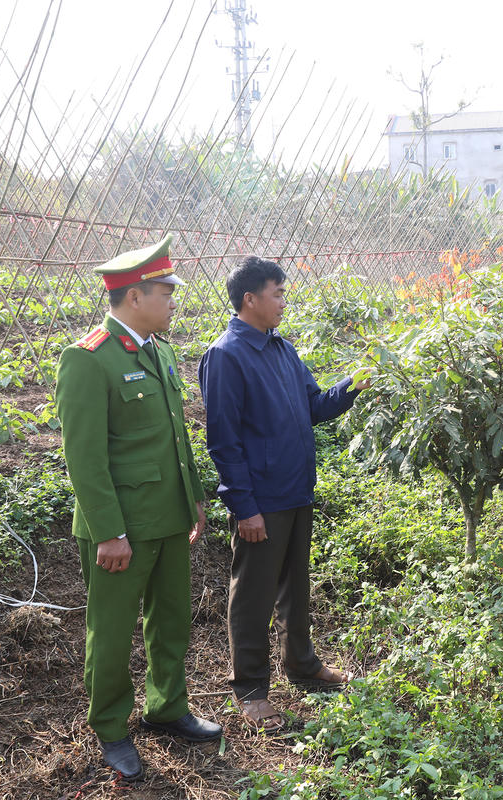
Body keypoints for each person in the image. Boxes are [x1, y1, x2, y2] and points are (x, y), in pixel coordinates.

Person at [54, 234, 222, 781]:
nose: (175, 300)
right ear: (134, 296)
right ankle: (110, 727)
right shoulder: (88, 360)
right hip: (121, 526)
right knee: (112, 628)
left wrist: (193, 497)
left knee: (171, 619)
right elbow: (85, 458)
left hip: (169, 517)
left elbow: (176, 437)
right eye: (166, 291)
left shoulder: (161, 351)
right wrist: (108, 532)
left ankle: (168, 707)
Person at [198, 255, 371, 734]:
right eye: (277, 294)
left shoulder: (282, 350)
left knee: (295, 586)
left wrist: (353, 384)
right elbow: (223, 440)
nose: (283, 302)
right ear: (249, 299)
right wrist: (243, 505)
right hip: (262, 501)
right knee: (253, 594)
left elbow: (313, 407)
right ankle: (250, 688)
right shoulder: (226, 356)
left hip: (296, 490)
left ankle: (302, 664)